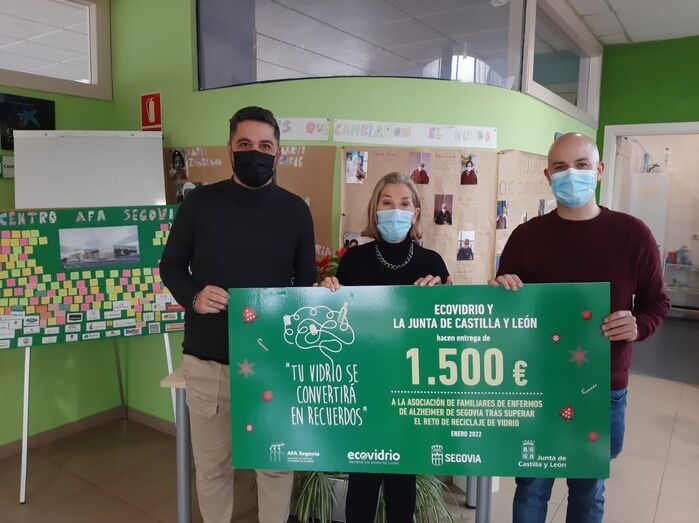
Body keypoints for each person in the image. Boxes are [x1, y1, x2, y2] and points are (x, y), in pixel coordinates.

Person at [489, 132, 669, 523]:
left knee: (588, 489)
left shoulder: (633, 234)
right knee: (531, 486)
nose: (571, 174)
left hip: (601, 385)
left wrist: (637, 325)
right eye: (560, 167)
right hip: (537, 382)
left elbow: (657, 302)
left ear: (599, 170)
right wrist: (502, 291)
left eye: (581, 165)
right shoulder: (525, 237)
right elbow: (506, 308)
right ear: (548, 175)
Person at [160, 106, 316, 523]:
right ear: (230, 149)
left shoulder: (295, 211)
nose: (255, 153)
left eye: (265, 145)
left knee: (275, 465)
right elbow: (170, 265)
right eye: (245, 144)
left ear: (279, 152)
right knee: (213, 468)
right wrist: (194, 296)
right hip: (209, 362)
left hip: (273, 363)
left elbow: (305, 286)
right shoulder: (199, 203)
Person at [319, 172, 450, 523]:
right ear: (375, 211)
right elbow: (338, 323)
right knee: (362, 484)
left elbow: (447, 330)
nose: (396, 210)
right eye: (387, 202)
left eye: (404, 203)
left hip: (410, 387)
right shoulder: (353, 260)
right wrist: (326, 292)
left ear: (416, 212)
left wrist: (442, 298)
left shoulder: (433, 263)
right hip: (364, 385)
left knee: (402, 486)